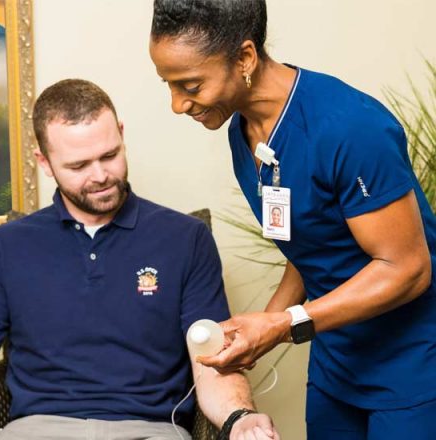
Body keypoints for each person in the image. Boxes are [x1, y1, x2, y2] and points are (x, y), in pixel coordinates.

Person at [0, 79, 280, 440]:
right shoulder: (7, 246)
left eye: (110, 155)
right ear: (45, 161)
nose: (101, 176)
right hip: (37, 430)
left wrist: (240, 419)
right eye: (79, 166)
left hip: (150, 429)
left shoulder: (186, 239)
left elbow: (213, 365)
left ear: (120, 132)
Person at [149, 1, 436, 438]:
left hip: (413, 363)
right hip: (337, 359)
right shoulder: (241, 130)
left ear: (244, 58)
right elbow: (310, 247)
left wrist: (283, 325)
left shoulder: (350, 128)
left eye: (189, 84)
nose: (175, 104)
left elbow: (408, 269)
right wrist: (257, 332)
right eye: (167, 85)